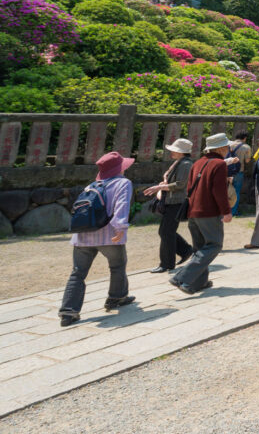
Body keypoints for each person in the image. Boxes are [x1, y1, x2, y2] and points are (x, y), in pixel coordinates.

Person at [59, 151, 135, 326]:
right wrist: (121, 227)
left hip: (83, 236)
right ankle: (116, 298)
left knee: (77, 273)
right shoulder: (123, 183)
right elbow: (121, 205)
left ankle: (68, 312)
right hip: (108, 235)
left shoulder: (92, 185)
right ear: (120, 169)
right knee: (117, 265)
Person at [172, 134, 234, 296]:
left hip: (193, 211)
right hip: (209, 212)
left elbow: (189, 188)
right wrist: (226, 211)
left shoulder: (198, 162)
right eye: (227, 147)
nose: (228, 150)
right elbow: (219, 191)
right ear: (221, 148)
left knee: (200, 248)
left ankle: (197, 283)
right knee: (214, 245)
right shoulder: (219, 164)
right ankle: (181, 277)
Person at [142, 138, 194, 273]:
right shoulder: (180, 162)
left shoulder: (186, 164)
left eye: (174, 150)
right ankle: (185, 250)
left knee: (166, 232)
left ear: (181, 152)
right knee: (166, 231)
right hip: (172, 201)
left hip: (177, 202)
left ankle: (167, 263)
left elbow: (180, 184)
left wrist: (159, 188)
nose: (171, 152)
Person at [227, 130, 251, 216]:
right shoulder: (246, 147)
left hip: (226, 171)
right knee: (236, 192)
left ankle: (223, 211)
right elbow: (247, 161)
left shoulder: (228, 144)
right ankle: (233, 212)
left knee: (225, 190)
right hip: (238, 171)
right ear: (245, 138)